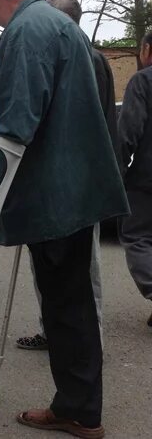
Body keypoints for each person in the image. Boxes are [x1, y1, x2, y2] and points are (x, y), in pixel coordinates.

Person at [0, 0, 127, 439]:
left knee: (66, 306)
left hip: (57, 191)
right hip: (72, 184)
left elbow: (15, 126)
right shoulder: (59, 24)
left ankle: (79, 411)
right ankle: (78, 406)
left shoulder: (26, 32)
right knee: (70, 304)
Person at [15, 0, 116, 351]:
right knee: (50, 265)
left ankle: (93, 337)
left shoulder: (87, 58)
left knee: (85, 266)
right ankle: (53, 329)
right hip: (60, 177)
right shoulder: (74, 54)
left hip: (78, 178)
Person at [117, 30, 152, 328]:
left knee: (138, 238)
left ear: (148, 50)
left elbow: (128, 131)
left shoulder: (143, 81)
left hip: (146, 179)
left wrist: (116, 171)